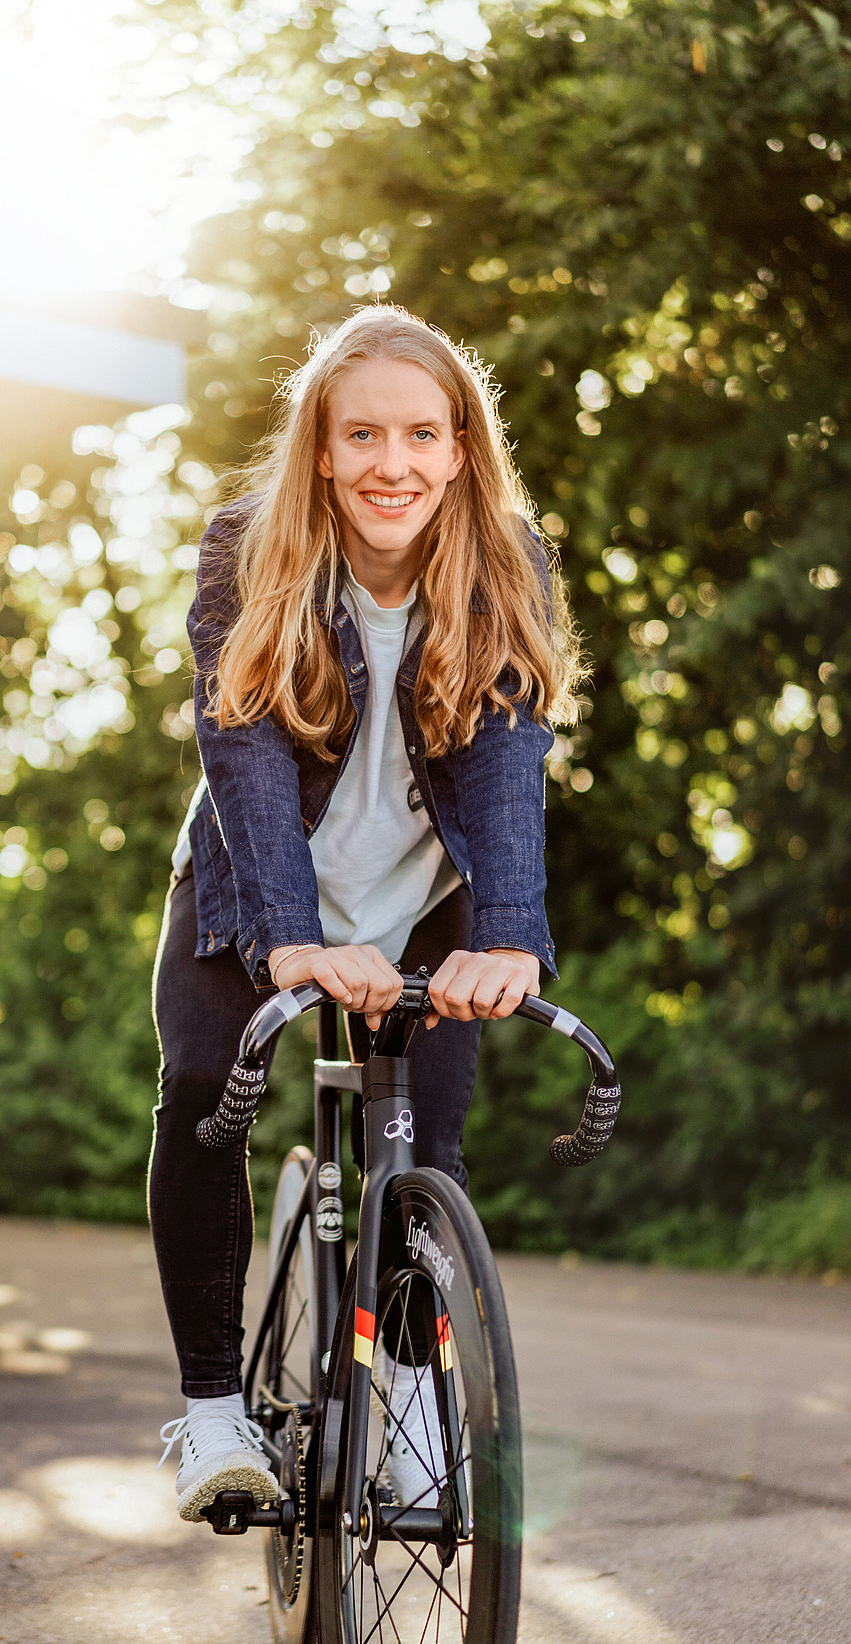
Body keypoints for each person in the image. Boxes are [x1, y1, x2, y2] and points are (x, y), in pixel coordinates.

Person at [149, 304, 580, 1521]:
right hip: (257, 884)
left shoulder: (506, 561)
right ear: (324, 450)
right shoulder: (250, 547)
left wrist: (507, 934)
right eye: (364, 436)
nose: (394, 463)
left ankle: (402, 1412)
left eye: (423, 435)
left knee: (420, 1152)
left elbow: (507, 756)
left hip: (424, 902)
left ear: (460, 448)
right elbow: (238, 749)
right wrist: (291, 936)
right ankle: (216, 1415)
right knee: (199, 1097)